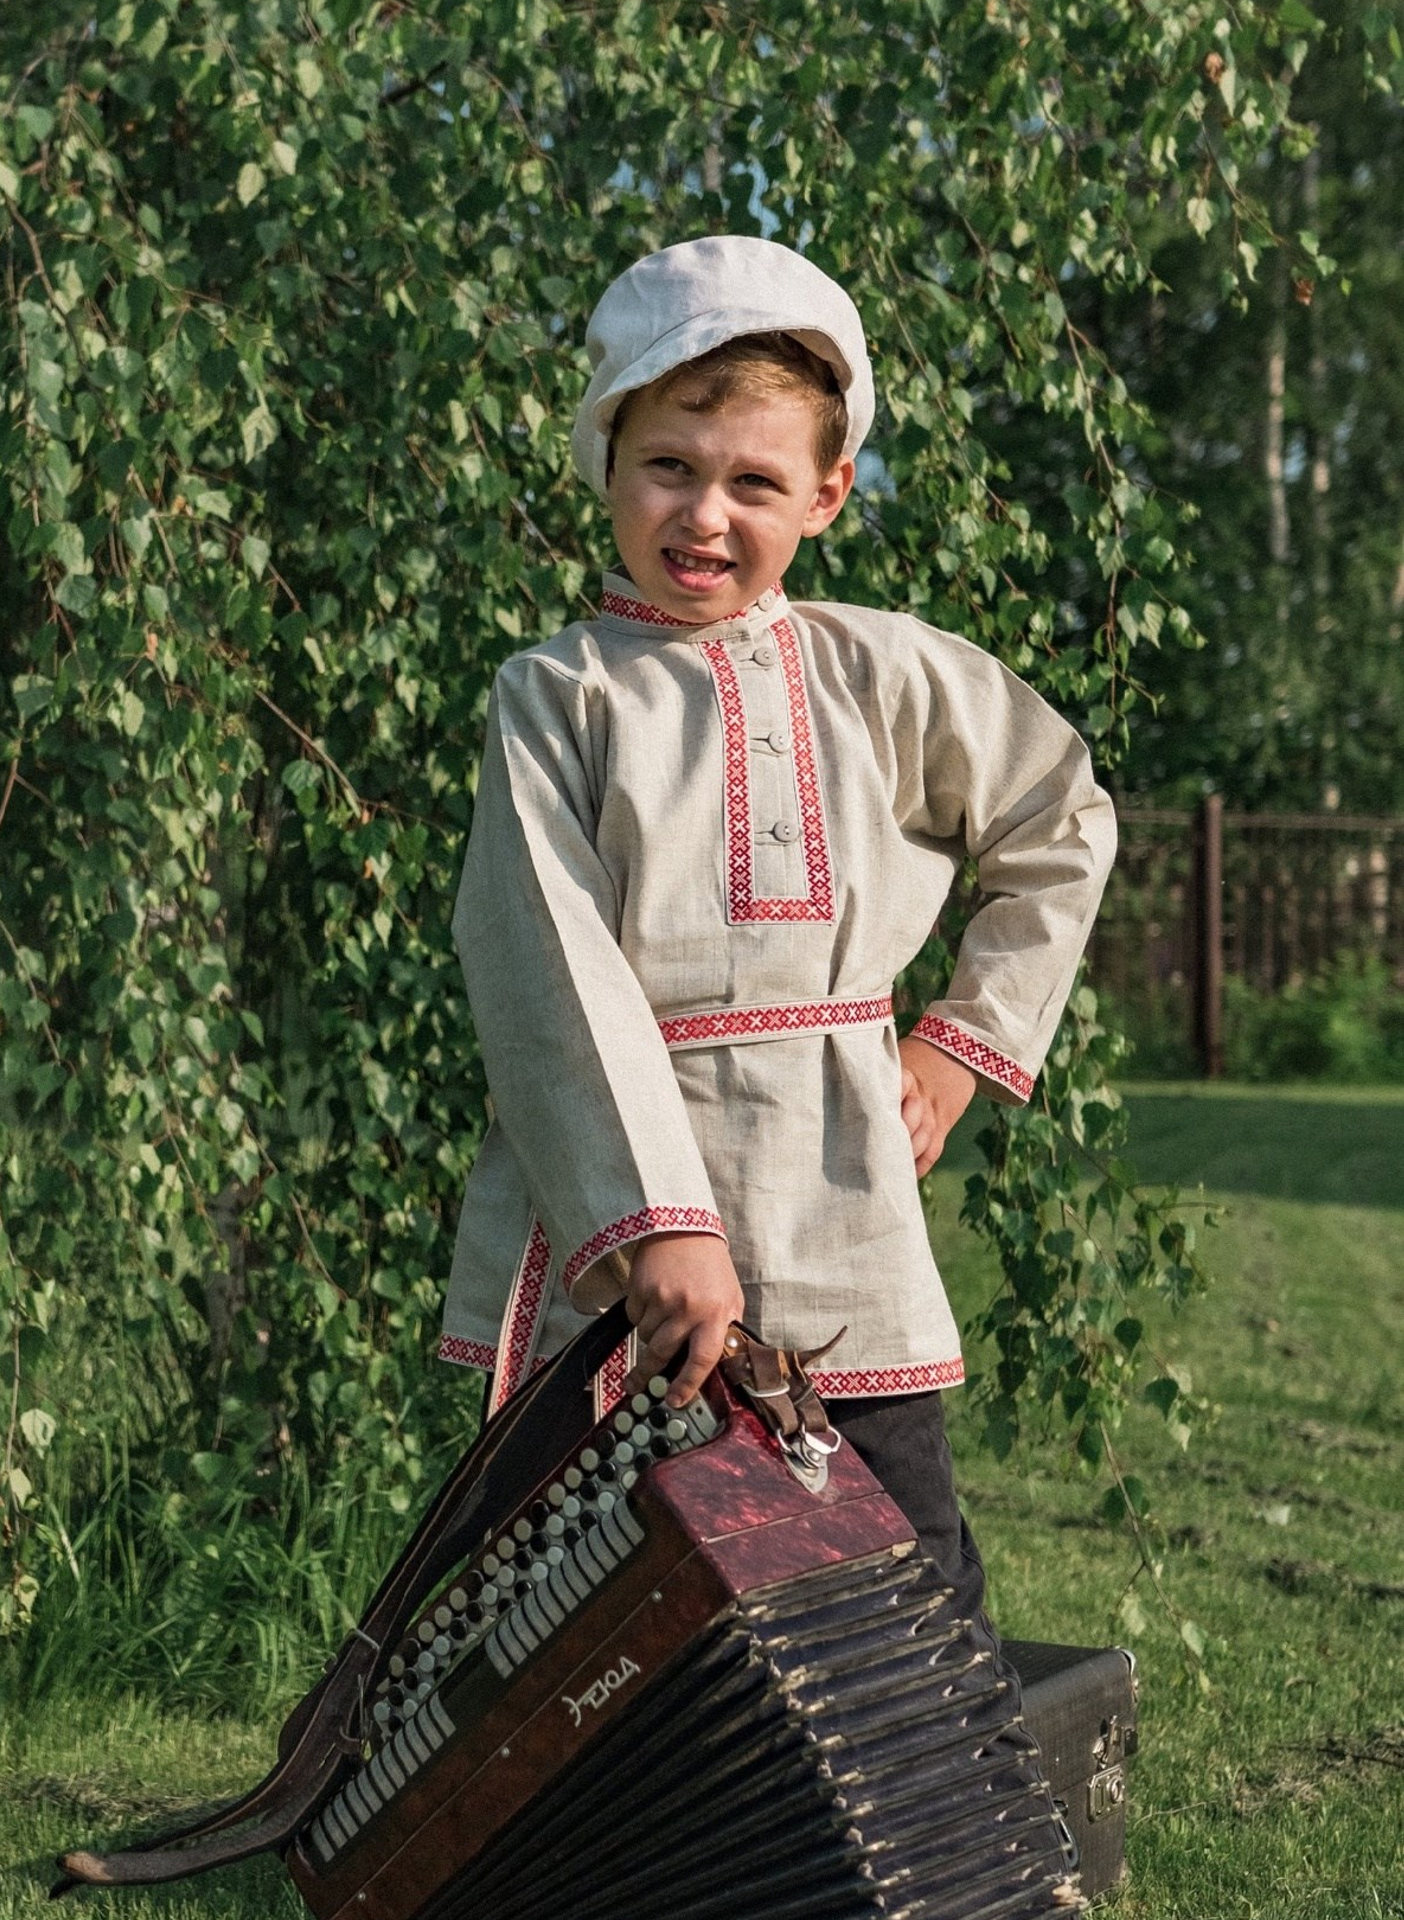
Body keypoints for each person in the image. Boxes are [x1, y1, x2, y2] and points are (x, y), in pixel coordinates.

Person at [438, 234, 1116, 1652]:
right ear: (607, 458)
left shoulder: (885, 673)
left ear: (826, 492)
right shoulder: (557, 699)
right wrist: (662, 1231)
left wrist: (960, 1048)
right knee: (604, 1603)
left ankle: (943, 1852)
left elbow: (1062, 816)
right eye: (670, 465)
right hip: (634, 1210)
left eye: (754, 480)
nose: (705, 514)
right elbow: (545, 968)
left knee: (908, 1577)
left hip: (841, 1199)